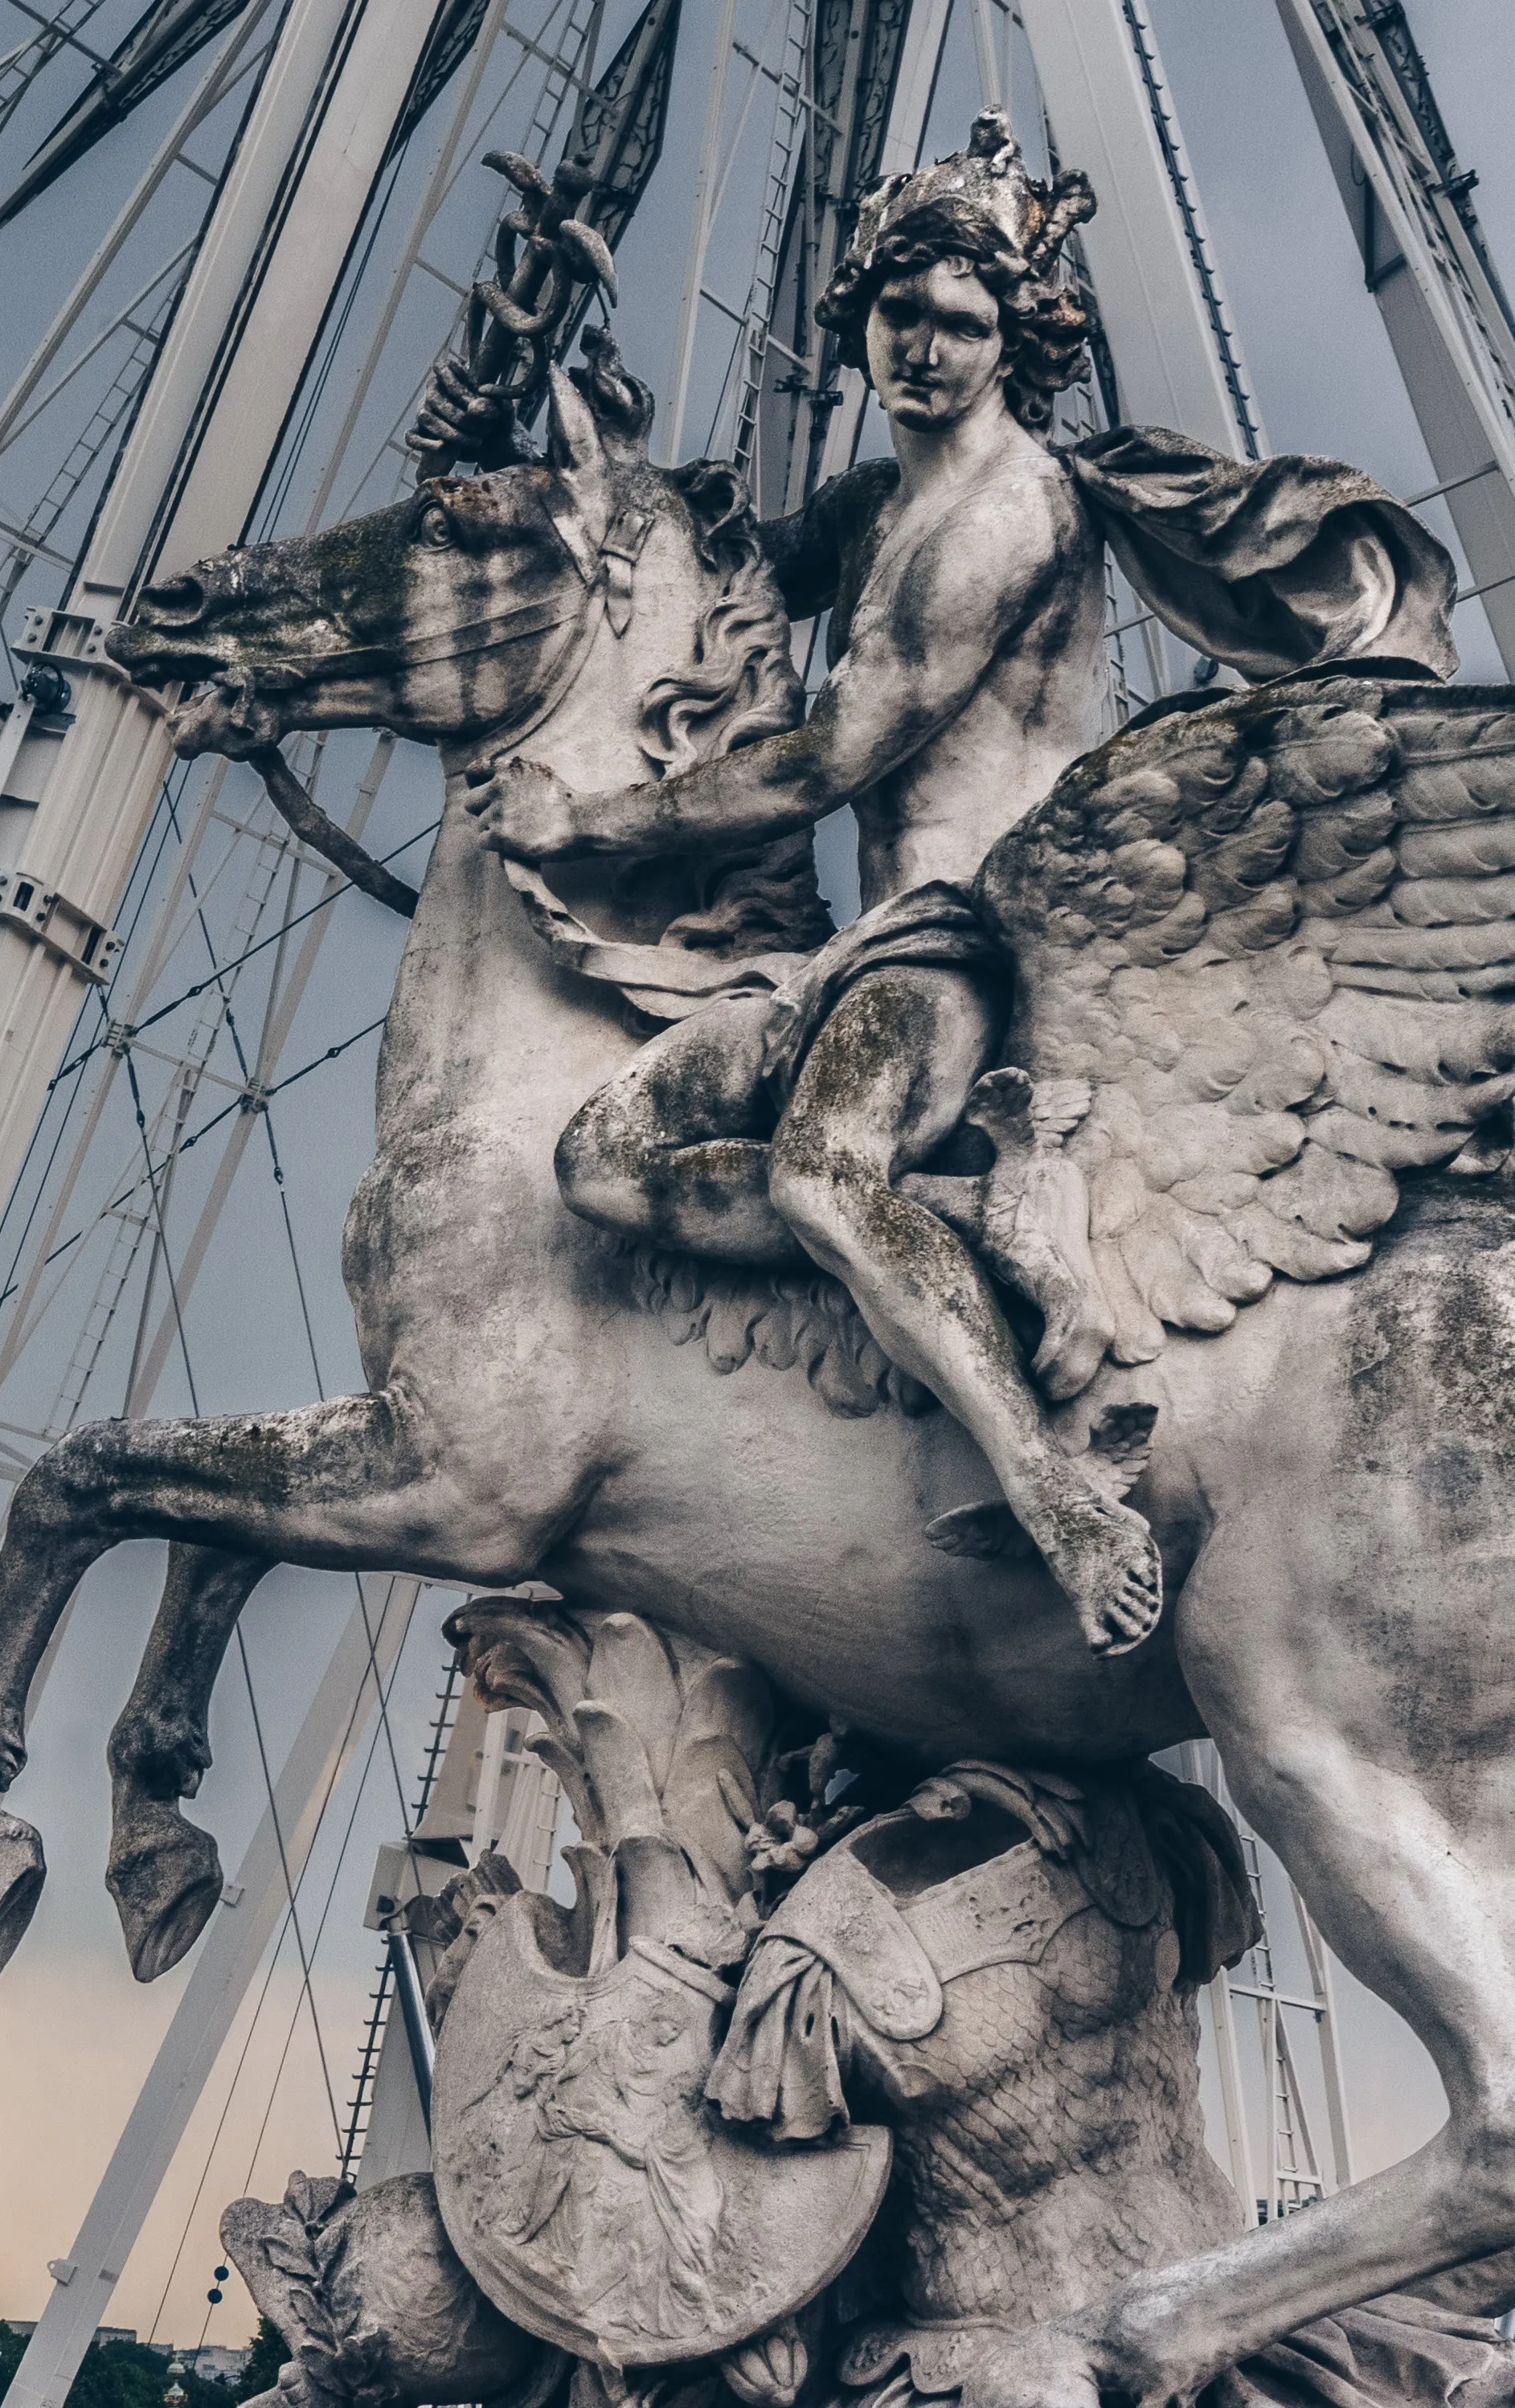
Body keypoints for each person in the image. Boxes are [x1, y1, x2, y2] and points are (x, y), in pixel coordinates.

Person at [473, 113, 1169, 1648]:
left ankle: (1049, 1483)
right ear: (860, 310)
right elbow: (707, 582)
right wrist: (598, 468)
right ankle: (963, 1231)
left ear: (1014, 342)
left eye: (962, 324)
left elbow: (823, 761)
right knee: (600, 1157)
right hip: (858, 955)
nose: (923, 347)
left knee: (814, 1172)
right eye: (898, 313)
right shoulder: (875, 503)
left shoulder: (1003, 512)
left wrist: (589, 822)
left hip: (969, 934)